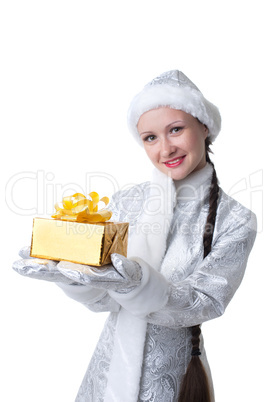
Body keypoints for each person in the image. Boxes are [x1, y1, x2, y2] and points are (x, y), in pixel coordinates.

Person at [13, 70, 257, 402]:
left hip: (174, 380)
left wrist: (138, 282)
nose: (166, 148)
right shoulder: (127, 202)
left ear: (203, 126)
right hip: (106, 373)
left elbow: (205, 302)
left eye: (175, 129)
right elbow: (106, 301)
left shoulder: (235, 220)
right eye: (150, 137)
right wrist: (71, 274)